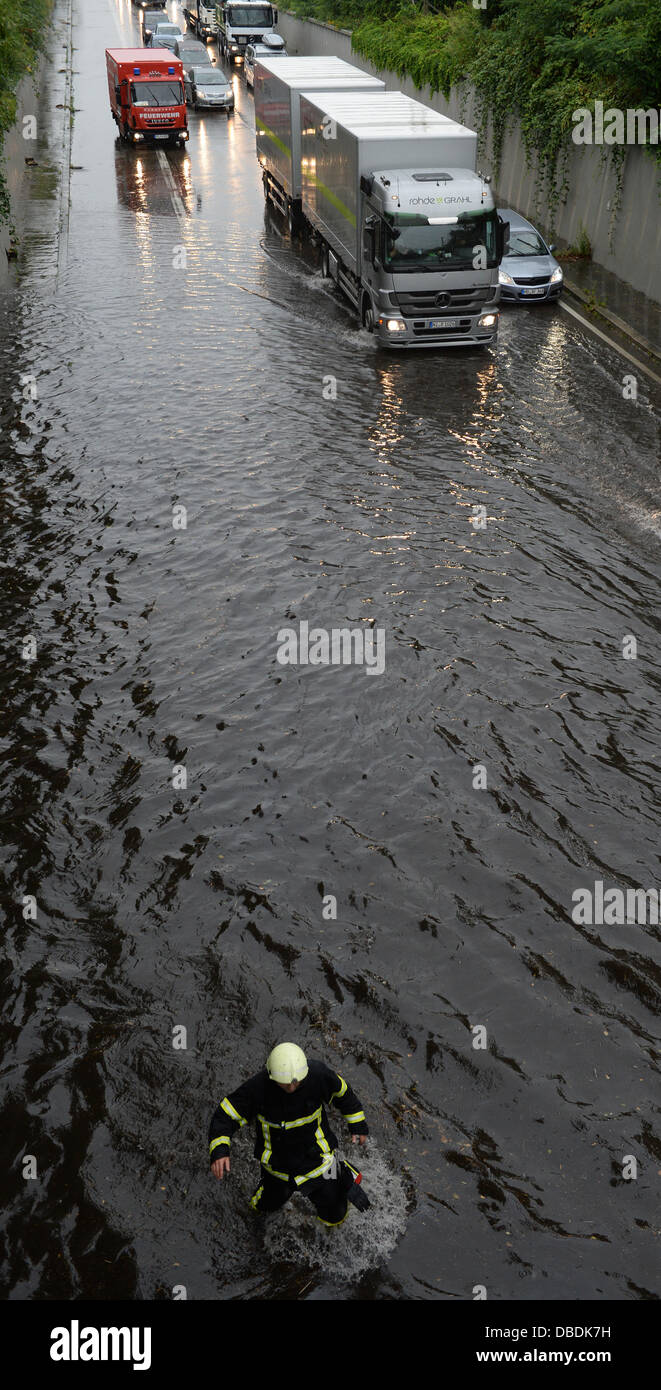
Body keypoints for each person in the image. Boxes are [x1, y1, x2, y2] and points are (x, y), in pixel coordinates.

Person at [208, 1042, 370, 1227]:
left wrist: (357, 1125)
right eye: (285, 1084)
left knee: (335, 1213)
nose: (291, 1088)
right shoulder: (256, 1089)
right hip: (278, 1167)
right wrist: (220, 1150)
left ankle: (342, 1171)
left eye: (295, 1082)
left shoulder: (318, 1075)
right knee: (263, 1207)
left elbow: (343, 1094)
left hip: (318, 1160)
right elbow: (225, 1115)